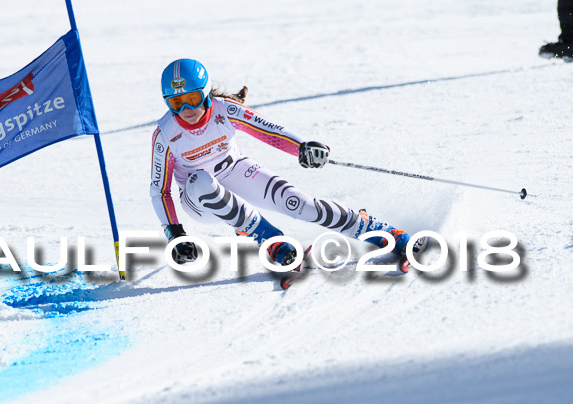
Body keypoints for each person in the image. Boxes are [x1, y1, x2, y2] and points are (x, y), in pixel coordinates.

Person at [150, 58, 418, 272]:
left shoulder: (225, 109)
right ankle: (270, 239)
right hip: (199, 201)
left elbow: (268, 130)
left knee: (301, 205)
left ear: (206, 93)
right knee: (202, 181)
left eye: (192, 98)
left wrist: (302, 147)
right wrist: (174, 234)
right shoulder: (165, 135)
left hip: (236, 170)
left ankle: (381, 231)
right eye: (176, 102)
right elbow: (159, 190)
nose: (185, 108)